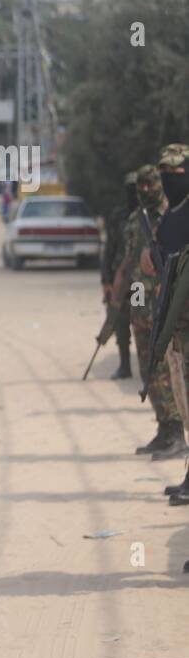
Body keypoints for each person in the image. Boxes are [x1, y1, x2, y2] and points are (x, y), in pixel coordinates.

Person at [115, 164, 184, 459]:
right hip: (140, 297)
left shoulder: (172, 216)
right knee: (147, 365)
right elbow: (131, 259)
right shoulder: (135, 219)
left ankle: (176, 432)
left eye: (150, 185)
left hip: (164, 297)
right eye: (140, 186)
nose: (145, 191)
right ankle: (164, 427)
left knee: (168, 368)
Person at [100, 172, 139, 380]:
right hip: (119, 282)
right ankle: (125, 365)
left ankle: (146, 365)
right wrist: (105, 280)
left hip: (141, 283)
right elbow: (109, 250)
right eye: (130, 188)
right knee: (119, 321)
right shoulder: (118, 217)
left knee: (141, 319)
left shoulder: (150, 217)